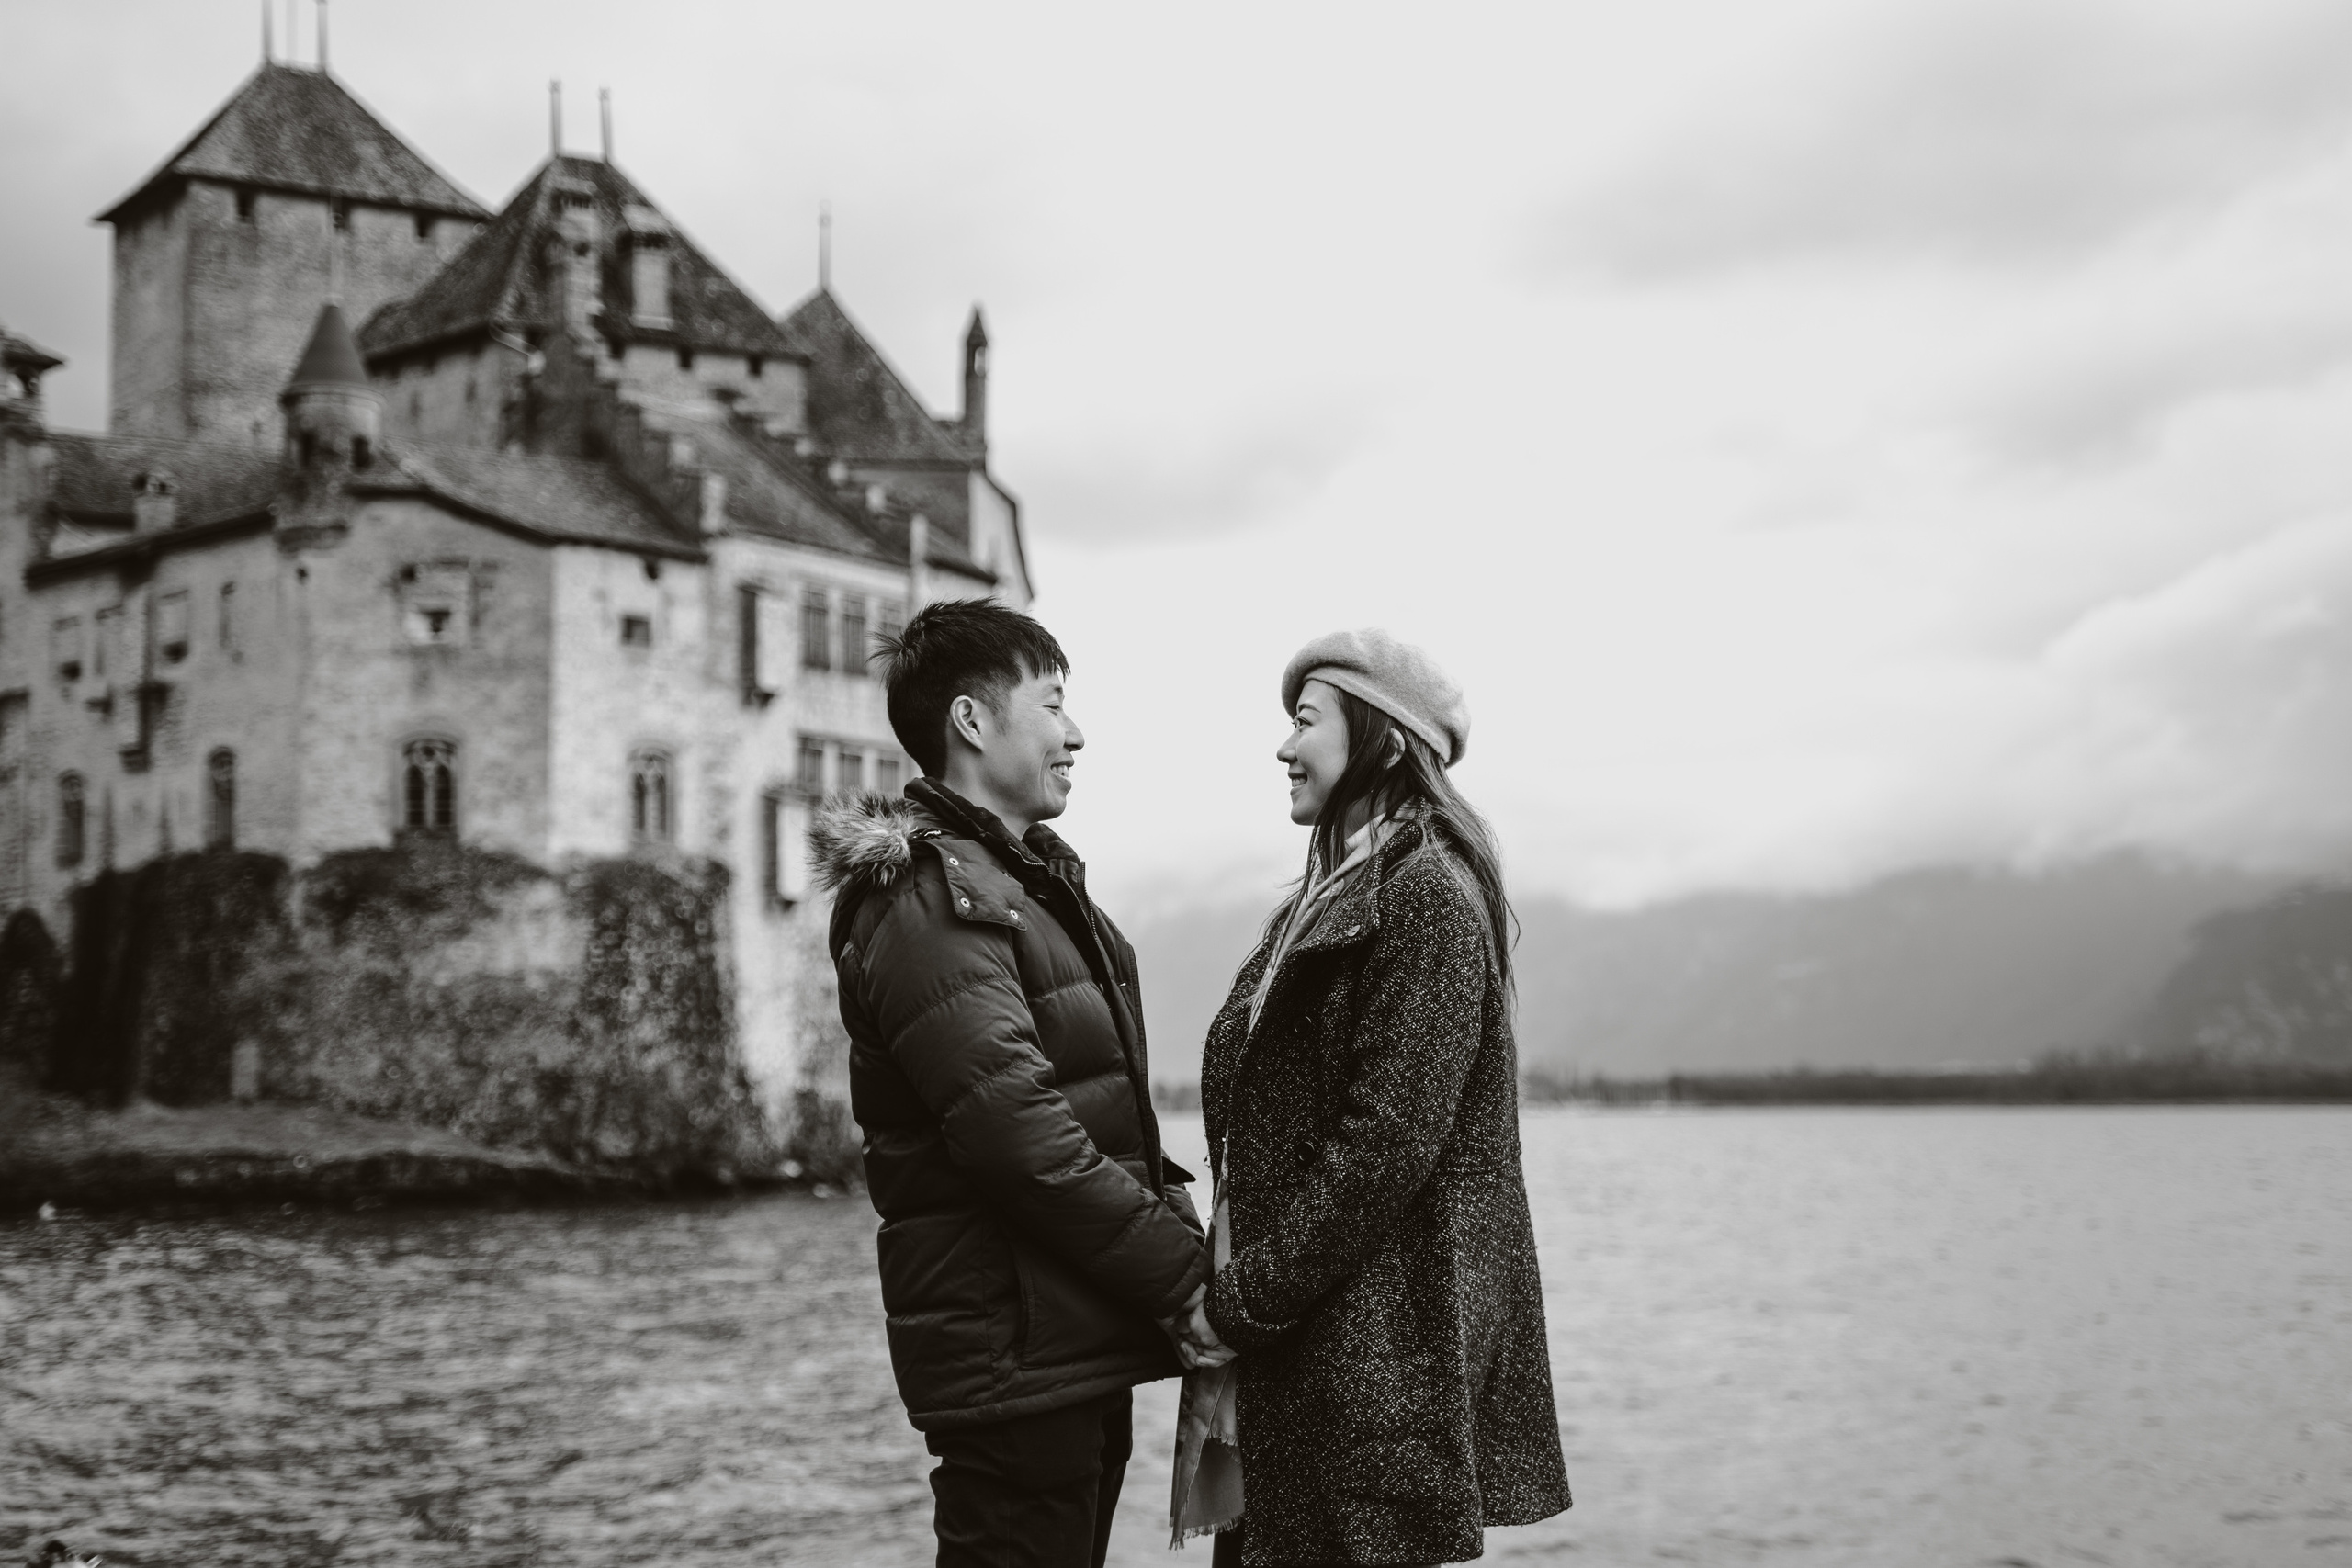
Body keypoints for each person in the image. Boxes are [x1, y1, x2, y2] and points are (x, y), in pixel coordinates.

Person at [809, 598, 1226, 1568]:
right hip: (1016, 1356)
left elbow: (1091, 1113)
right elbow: (1020, 1136)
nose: (1074, 733)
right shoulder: (930, 899)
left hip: (1059, 1343)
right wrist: (1187, 1284)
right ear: (971, 720)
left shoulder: (1009, 884)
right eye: (1052, 702)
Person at [1191, 629, 1573, 1567]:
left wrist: (1242, 1301)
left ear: (1387, 742)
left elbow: (1384, 1145)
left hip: (1370, 1369)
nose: (1283, 747)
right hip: (1310, 1363)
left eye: (1306, 721)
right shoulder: (1327, 897)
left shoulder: (1426, 896)